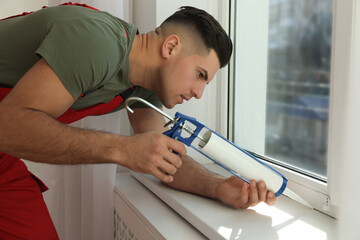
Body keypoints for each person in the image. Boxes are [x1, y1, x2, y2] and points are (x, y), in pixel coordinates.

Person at [0, 4, 276, 239]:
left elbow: (165, 159)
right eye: (200, 74)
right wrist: (122, 149)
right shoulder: (95, 43)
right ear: (171, 47)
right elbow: (9, 127)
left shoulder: (142, 88)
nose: (198, 92)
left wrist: (217, 187)